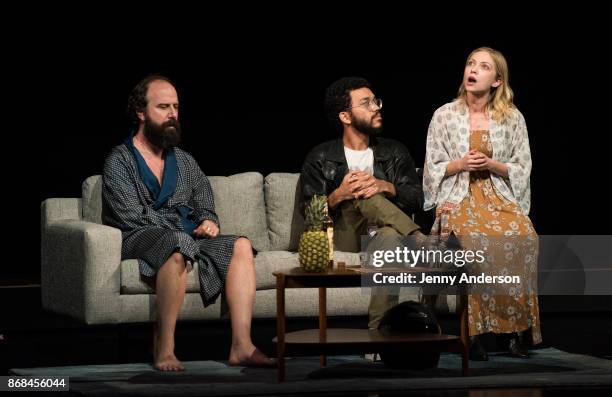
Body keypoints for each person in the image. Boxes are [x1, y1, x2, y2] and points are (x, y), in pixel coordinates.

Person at [102, 75, 274, 371]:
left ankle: (242, 346)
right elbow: (129, 216)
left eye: (176, 107)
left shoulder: (183, 161)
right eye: (163, 107)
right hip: (138, 237)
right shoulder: (119, 160)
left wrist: (208, 221)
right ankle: (164, 348)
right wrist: (183, 230)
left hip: (186, 237)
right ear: (141, 113)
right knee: (177, 243)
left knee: (241, 245)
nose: (172, 114)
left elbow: (204, 200)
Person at [300, 76, 452, 330]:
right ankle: (419, 240)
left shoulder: (394, 151)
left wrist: (387, 187)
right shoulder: (321, 156)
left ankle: (379, 336)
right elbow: (308, 212)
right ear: (345, 117)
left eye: (376, 101)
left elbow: (420, 198)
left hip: (384, 235)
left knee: (390, 235)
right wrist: (341, 194)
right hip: (342, 235)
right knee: (362, 189)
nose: (376, 107)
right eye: (366, 103)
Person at [423, 47, 541, 359]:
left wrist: (491, 164)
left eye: (483, 66)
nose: (473, 69)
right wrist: (461, 163)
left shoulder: (512, 118)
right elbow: (432, 167)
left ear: (497, 80)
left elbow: (521, 167)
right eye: (470, 63)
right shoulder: (444, 115)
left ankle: (511, 333)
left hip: (497, 196)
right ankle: (471, 334)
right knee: (475, 241)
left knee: (524, 237)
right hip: (459, 196)